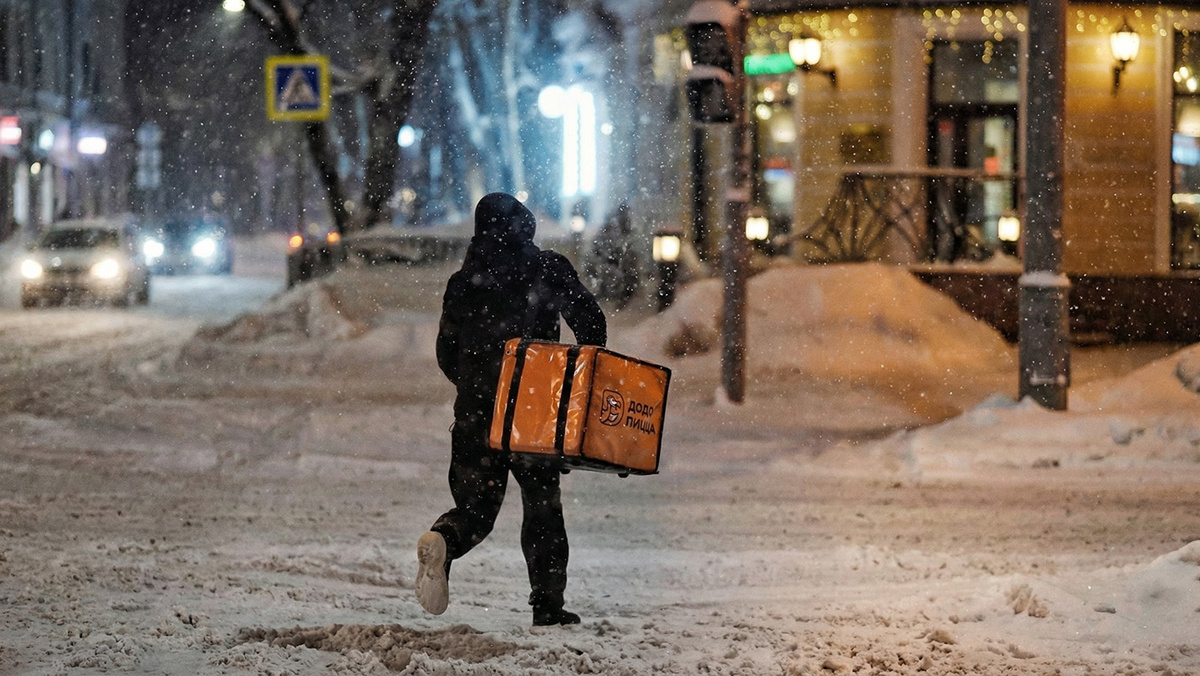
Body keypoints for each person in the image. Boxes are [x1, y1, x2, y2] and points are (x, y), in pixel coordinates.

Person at [416, 192, 607, 626]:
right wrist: (571, 375)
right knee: (542, 506)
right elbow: (592, 325)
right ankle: (548, 605)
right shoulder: (548, 269)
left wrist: (481, 386)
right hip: (533, 412)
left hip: (477, 412)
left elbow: (447, 354)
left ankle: (445, 538)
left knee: (476, 509)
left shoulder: (463, 283)